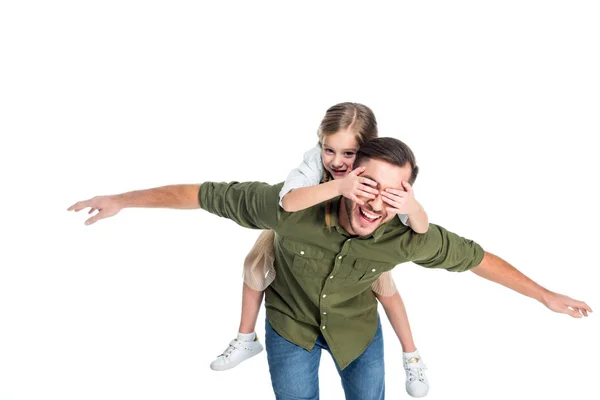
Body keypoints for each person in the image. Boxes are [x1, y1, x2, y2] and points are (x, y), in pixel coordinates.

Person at [67, 137, 592, 400]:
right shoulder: (290, 207)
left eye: (393, 193)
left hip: (356, 332)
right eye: (368, 184)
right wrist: (121, 199)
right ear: (345, 174)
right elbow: (200, 195)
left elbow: (477, 260)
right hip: (289, 328)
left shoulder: (405, 236)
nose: (375, 201)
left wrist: (545, 296)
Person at [208, 103, 430, 397]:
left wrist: (411, 206)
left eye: (349, 154)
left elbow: (419, 226)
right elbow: (289, 203)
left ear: (366, 152)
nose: (337, 162)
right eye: (330, 150)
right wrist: (340, 187)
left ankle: (411, 356)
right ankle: (245, 337)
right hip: (302, 234)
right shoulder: (315, 161)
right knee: (255, 264)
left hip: (359, 250)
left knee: (385, 287)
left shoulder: (382, 173)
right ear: (321, 143)